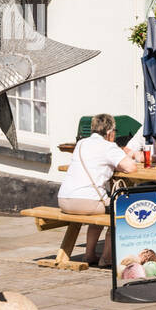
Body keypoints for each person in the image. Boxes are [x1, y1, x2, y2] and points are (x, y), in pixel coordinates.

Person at [57, 113, 141, 266]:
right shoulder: (109, 147)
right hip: (86, 202)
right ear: (109, 133)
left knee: (102, 207)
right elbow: (132, 168)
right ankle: (106, 258)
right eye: (114, 132)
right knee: (120, 211)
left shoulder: (81, 144)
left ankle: (89, 255)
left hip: (63, 200)